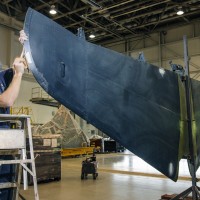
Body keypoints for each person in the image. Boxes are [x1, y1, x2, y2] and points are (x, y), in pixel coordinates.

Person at [0, 32, 28, 199]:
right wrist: (18, 74)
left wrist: (27, 46)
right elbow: (6, 100)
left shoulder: (2, 77)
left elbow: (21, 64)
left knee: (8, 186)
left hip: (5, 143)